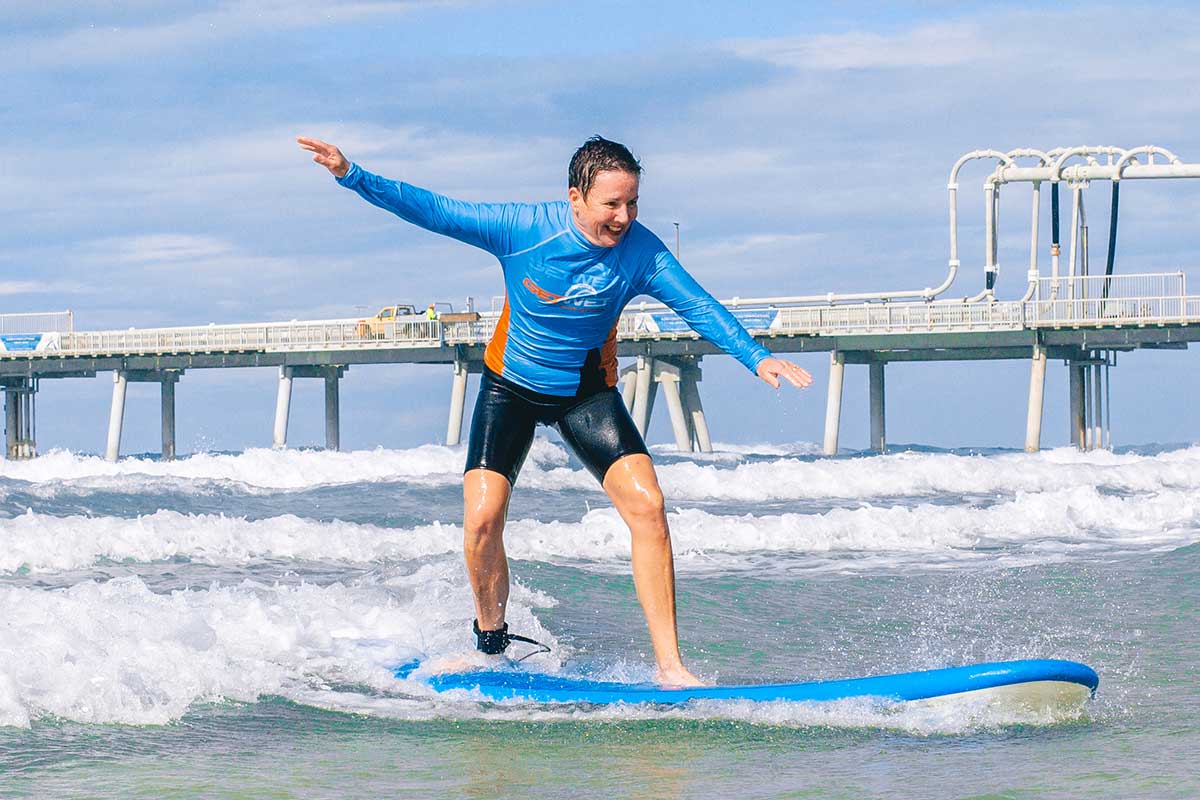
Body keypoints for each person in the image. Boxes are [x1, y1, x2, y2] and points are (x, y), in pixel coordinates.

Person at [298, 134, 813, 685]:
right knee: (482, 518)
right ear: (575, 197)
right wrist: (353, 175)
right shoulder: (523, 229)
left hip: (585, 393)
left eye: (633, 203)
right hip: (510, 388)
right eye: (611, 204)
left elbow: (698, 305)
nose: (623, 217)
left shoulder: (642, 252)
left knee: (649, 507)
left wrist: (756, 358)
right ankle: (490, 644)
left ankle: (671, 668)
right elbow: (433, 210)